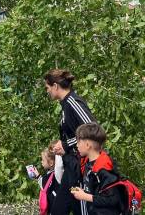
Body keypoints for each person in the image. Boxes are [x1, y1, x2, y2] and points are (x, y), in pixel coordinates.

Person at [44, 69, 96, 215]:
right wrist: (62, 145)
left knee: (78, 209)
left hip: (81, 168)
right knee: (59, 209)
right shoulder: (65, 105)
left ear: (55, 86)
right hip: (71, 169)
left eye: (47, 88)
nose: (47, 92)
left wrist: (66, 144)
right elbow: (74, 133)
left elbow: (93, 128)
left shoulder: (73, 102)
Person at [71, 123, 121, 215]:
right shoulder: (87, 164)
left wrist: (85, 196)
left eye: (78, 142)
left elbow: (113, 199)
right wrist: (84, 192)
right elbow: (96, 192)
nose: (76, 145)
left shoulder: (105, 168)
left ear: (87, 145)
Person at [38, 140, 62, 215]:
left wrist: (37, 176)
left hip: (53, 207)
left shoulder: (54, 175)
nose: (41, 162)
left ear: (51, 163)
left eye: (43, 160)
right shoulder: (51, 173)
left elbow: (43, 186)